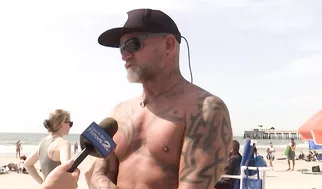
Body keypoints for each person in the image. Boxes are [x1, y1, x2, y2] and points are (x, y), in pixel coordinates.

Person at [85, 8, 233, 189]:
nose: (124, 55)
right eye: (121, 48)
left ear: (169, 45)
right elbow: (98, 173)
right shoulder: (118, 113)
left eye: (132, 44)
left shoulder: (204, 109)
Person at [24, 109, 73, 184]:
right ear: (62, 123)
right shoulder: (63, 144)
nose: (70, 126)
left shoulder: (43, 142)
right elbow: (66, 169)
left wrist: (42, 182)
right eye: (70, 123)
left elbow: (27, 164)